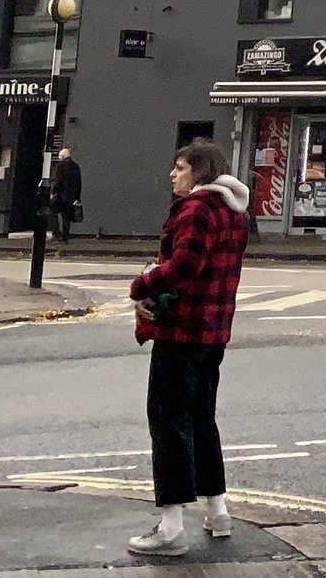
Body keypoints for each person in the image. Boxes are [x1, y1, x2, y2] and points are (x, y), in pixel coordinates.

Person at [127, 139, 250, 560]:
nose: (172, 174)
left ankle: (171, 528)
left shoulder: (197, 210)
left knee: (168, 422)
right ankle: (218, 512)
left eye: (180, 168)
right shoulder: (234, 212)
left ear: (199, 172)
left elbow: (183, 267)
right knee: (200, 419)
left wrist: (141, 285)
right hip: (214, 333)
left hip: (181, 333)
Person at [49, 146, 84, 242]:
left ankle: (56, 233)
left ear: (62, 157)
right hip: (71, 196)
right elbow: (78, 182)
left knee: (50, 211)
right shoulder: (76, 167)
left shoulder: (60, 166)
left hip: (61, 196)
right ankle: (65, 236)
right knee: (66, 216)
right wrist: (77, 197)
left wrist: (53, 192)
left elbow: (58, 181)